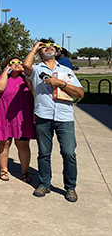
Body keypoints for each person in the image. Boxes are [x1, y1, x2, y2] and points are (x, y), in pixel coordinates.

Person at [23, 40, 84, 202]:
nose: (48, 48)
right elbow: (26, 65)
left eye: (52, 46)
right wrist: (35, 47)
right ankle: (44, 184)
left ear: (57, 52)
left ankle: (70, 187)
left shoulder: (66, 71)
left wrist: (61, 84)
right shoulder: (36, 69)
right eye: (44, 47)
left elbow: (80, 93)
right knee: (44, 153)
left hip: (65, 117)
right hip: (44, 116)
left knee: (69, 153)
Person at [0, 57, 35, 182]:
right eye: (13, 63)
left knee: (23, 145)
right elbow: (0, 89)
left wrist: (26, 73)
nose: (16, 65)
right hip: (4, 115)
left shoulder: (26, 79)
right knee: (4, 143)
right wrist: (6, 72)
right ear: (7, 65)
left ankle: (25, 172)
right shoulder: (1, 78)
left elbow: (33, 89)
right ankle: (3, 170)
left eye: (19, 63)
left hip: (23, 117)